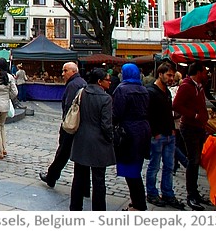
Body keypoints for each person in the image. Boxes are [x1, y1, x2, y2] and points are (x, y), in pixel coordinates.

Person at [69, 68, 116, 211]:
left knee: (78, 178)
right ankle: (98, 210)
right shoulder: (106, 98)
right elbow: (106, 124)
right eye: (107, 79)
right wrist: (111, 138)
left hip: (81, 138)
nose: (110, 82)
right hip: (98, 141)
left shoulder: (82, 92)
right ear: (99, 81)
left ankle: (75, 208)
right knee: (99, 180)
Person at [39, 61, 87, 188]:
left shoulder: (73, 85)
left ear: (73, 71)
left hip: (70, 125)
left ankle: (51, 177)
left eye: (65, 71)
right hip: (80, 125)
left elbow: (69, 106)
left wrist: (66, 122)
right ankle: (85, 186)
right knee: (80, 158)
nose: (63, 73)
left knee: (62, 153)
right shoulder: (82, 82)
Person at [145, 62, 185, 209]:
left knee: (168, 167)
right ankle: (152, 193)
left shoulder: (166, 92)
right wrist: (155, 133)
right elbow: (148, 115)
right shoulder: (151, 91)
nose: (171, 78)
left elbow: (168, 113)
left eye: (172, 75)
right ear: (160, 74)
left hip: (169, 135)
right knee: (154, 166)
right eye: (168, 75)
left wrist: (172, 129)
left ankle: (168, 193)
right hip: (157, 136)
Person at [173, 61, 211, 211]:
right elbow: (176, 105)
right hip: (190, 128)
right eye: (204, 71)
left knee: (195, 161)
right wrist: (194, 115)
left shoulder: (198, 86)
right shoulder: (187, 86)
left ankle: (195, 193)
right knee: (193, 161)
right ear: (198, 72)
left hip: (198, 127)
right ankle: (191, 195)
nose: (207, 74)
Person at [112, 63, 151, 211]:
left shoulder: (122, 89)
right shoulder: (143, 89)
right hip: (143, 130)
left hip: (128, 132)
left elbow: (117, 113)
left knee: (131, 171)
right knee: (136, 167)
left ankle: (139, 204)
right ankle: (137, 201)